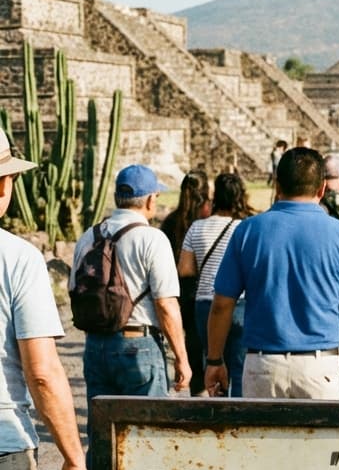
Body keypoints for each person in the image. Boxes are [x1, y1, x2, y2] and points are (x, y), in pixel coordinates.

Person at [0, 136, 90, 470]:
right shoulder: (16, 258)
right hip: (4, 450)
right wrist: (73, 457)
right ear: (4, 186)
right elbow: (42, 372)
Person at [204, 148, 339, 400]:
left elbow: (222, 305)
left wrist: (214, 359)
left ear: (277, 186)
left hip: (263, 363)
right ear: (322, 189)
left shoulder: (247, 231)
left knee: (261, 440)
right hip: (320, 363)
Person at [71, 165, 191, 398]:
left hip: (96, 346)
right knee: (146, 429)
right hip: (138, 345)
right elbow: (165, 305)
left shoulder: (88, 237)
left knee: (104, 428)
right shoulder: (152, 239)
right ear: (149, 201)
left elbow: (75, 290)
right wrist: (181, 358)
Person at [178, 172, 254, 397]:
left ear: (214, 197)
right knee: (239, 367)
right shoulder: (244, 228)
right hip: (238, 302)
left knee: (212, 362)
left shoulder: (196, 227)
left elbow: (185, 269)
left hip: (204, 304)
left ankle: (216, 414)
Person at [160, 171, 210, 394]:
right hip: (207, 289)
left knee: (191, 346)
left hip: (181, 292)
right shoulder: (206, 222)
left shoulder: (171, 222)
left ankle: (198, 392)